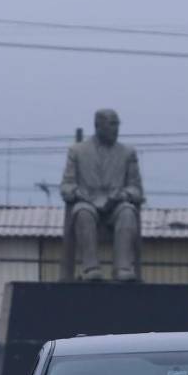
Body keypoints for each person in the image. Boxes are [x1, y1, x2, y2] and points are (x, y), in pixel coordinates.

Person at [60, 108, 144, 281]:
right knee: (82, 212)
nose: (116, 129)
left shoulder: (127, 153)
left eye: (117, 124)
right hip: (88, 203)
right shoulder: (77, 151)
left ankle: (122, 269)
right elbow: (66, 186)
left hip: (116, 206)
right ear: (98, 126)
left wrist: (123, 195)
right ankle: (91, 269)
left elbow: (136, 189)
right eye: (112, 124)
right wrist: (78, 193)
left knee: (128, 212)